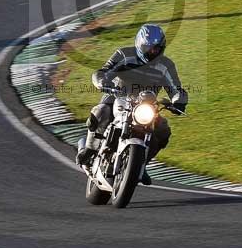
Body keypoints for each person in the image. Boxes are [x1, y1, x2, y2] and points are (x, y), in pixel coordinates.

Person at [76, 24, 188, 185]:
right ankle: (89, 149)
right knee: (101, 111)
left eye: (156, 49)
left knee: (163, 130)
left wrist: (178, 102)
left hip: (146, 106)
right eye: (147, 48)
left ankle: (141, 163)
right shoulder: (124, 54)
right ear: (139, 44)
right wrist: (102, 81)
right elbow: (103, 71)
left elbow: (176, 89)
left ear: (162, 48)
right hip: (118, 96)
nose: (152, 52)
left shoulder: (166, 65)